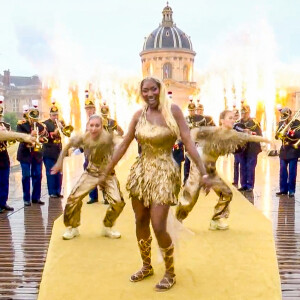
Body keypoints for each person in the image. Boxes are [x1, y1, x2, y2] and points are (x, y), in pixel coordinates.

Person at [98, 77, 210, 292]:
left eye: (153, 89)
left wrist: (204, 172)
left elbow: (188, 142)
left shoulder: (174, 111)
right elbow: (124, 144)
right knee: (140, 220)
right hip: (141, 172)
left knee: (158, 224)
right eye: (145, 90)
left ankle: (170, 272)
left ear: (160, 89)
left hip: (165, 171)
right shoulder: (138, 116)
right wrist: (106, 170)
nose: (149, 94)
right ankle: (146, 266)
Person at [176, 110, 269, 230]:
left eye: (233, 118)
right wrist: (189, 143)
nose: (232, 120)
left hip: (210, 169)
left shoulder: (233, 135)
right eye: (229, 118)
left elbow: (249, 137)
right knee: (190, 197)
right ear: (222, 121)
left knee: (226, 193)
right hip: (198, 167)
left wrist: (267, 141)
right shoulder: (211, 131)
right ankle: (178, 220)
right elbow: (193, 132)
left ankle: (217, 219)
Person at [51, 115, 125, 240]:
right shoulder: (83, 137)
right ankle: (72, 227)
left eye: (97, 125)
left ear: (102, 127)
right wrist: (59, 163)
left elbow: (122, 142)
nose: (94, 128)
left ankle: (108, 226)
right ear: (87, 126)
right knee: (73, 198)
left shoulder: (107, 138)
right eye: (91, 125)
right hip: (91, 172)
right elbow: (67, 146)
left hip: (107, 173)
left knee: (118, 202)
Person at [0, 99, 36, 213]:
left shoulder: (5, 125)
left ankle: (3, 202)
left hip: (3, 155)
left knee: (5, 180)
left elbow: (11, 137)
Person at [17, 100, 48, 206]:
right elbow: (19, 137)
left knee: (38, 175)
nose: (34, 121)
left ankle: (36, 198)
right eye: (32, 119)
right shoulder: (21, 125)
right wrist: (31, 134)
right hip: (25, 154)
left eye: (36, 119)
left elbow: (45, 136)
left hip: (37, 154)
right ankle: (26, 199)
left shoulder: (40, 126)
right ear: (28, 117)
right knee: (26, 175)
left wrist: (42, 138)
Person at [43, 101, 72, 198]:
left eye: (56, 115)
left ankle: (58, 191)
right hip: (49, 151)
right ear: (50, 115)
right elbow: (46, 136)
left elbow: (67, 133)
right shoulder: (45, 124)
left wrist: (62, 127)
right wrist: (56, 130)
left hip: (58, 151)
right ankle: (52, 192)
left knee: (59, 172)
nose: (55, 117)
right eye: (53, 115)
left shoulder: (61, 122)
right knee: (51, 172)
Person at [236, 105, 262, 192]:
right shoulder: (238, 123)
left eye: (245, 113)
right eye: (242, 113)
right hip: (241, 149)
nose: (243, 115)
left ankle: (250, 185)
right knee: (242, 166)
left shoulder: (254, 123)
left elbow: (259, 135)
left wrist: (250, 133)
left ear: (249, 113)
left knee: (250, 167)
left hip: (252, 148)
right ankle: (243, 184)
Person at [275, 107, 300, 198]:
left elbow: (298, 135)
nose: (284, 120)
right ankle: (283, 190)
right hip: (284, 150)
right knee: (282, 171)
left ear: (290, 115)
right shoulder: (281, 122)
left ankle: (291, 190)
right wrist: (280, 132)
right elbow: (277, 136)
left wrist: (289, 131)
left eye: (286, 117)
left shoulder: (297, 123)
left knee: (292, 172)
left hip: (293, 150)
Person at [83, 90, 99, 204]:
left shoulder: (98, 120)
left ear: (94, 109)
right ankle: (93, 196)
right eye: (87, 109)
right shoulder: (88, 122)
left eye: (90, 108)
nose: (88, 110)